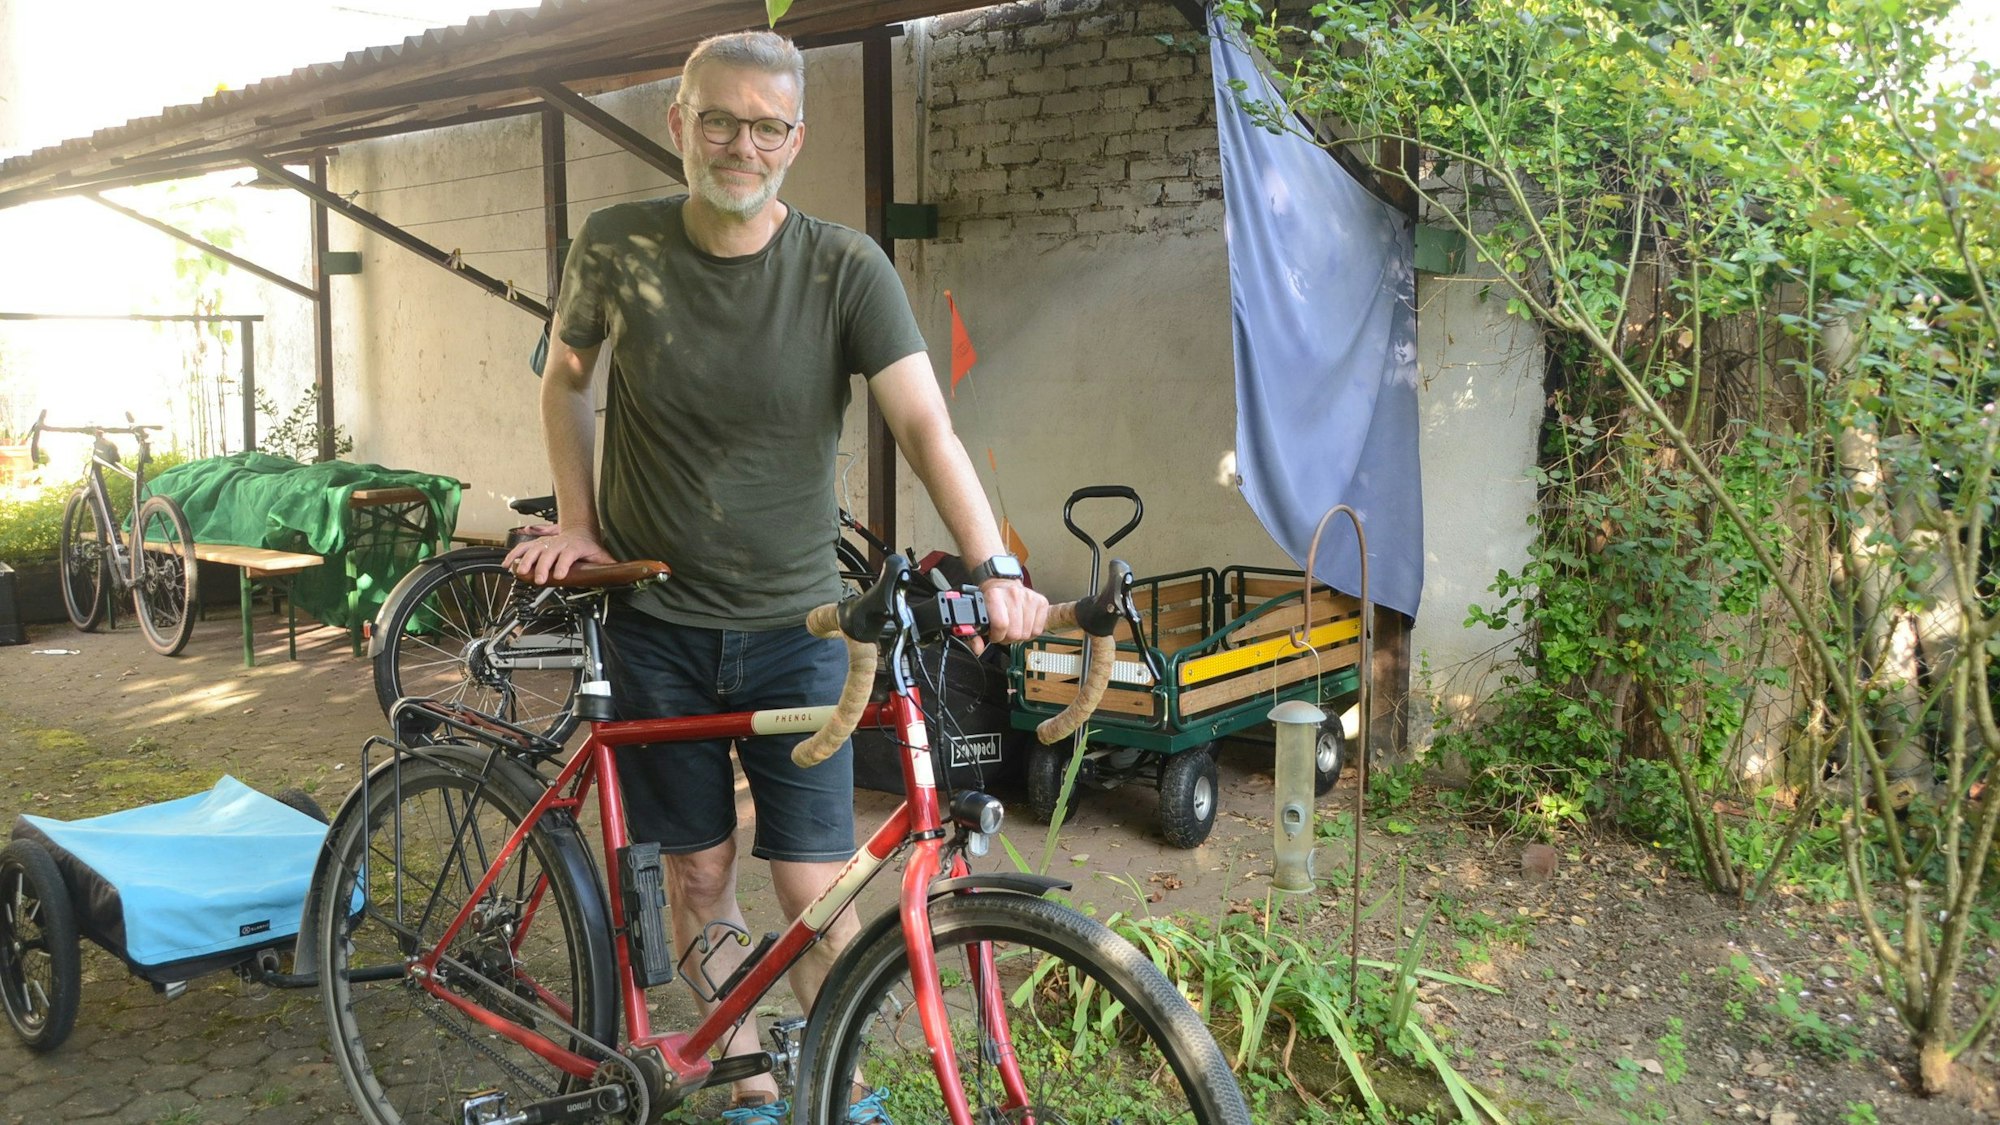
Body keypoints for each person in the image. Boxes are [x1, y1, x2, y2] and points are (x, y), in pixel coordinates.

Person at [502, 29, 1050, 1124]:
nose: (738, 145)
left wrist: (994, 567)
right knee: (700, 873)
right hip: (655, 622)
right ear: (679, 123)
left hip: (803, 631)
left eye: (764, 127)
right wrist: (580, 522)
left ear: (795, 139)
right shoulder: (615, 244)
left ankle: (842, 1090)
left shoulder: (845, 267)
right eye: (717, 120)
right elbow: (566, 381)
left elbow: (924, 423)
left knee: (816, 885)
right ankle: (751, 1082)